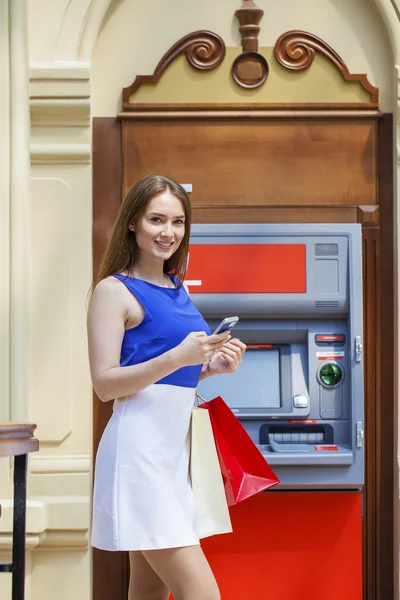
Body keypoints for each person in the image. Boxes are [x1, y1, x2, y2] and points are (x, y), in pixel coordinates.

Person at [87, 174, 246, 600]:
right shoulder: (112, 291)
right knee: (202, 595)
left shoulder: (176, 287)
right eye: (157, 219)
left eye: (177, 222)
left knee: (150, 589)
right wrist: (178, 357)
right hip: (140, 457)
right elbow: (105, 384)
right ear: (133, 223)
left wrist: (209, 367)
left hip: (173, 456)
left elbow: (167, 377)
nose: (168, 232)